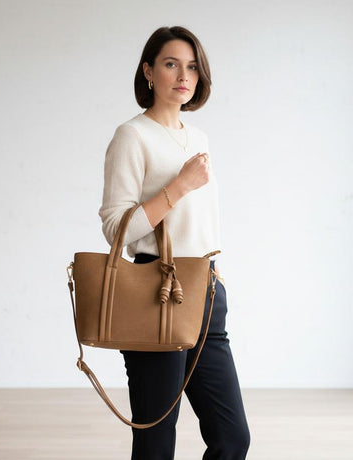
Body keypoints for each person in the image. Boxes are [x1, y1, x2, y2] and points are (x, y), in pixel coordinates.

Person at [98, 25, 250, 460]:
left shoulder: (197, 137)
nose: (184, 76)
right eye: (171, 64)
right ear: (148, 71)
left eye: (192, 67)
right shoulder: (132, 136)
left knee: (232, 439)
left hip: (206, 289)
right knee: (156, 440)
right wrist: (180, 185)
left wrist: (216, 280)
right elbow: (115, 228)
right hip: (156, 291)